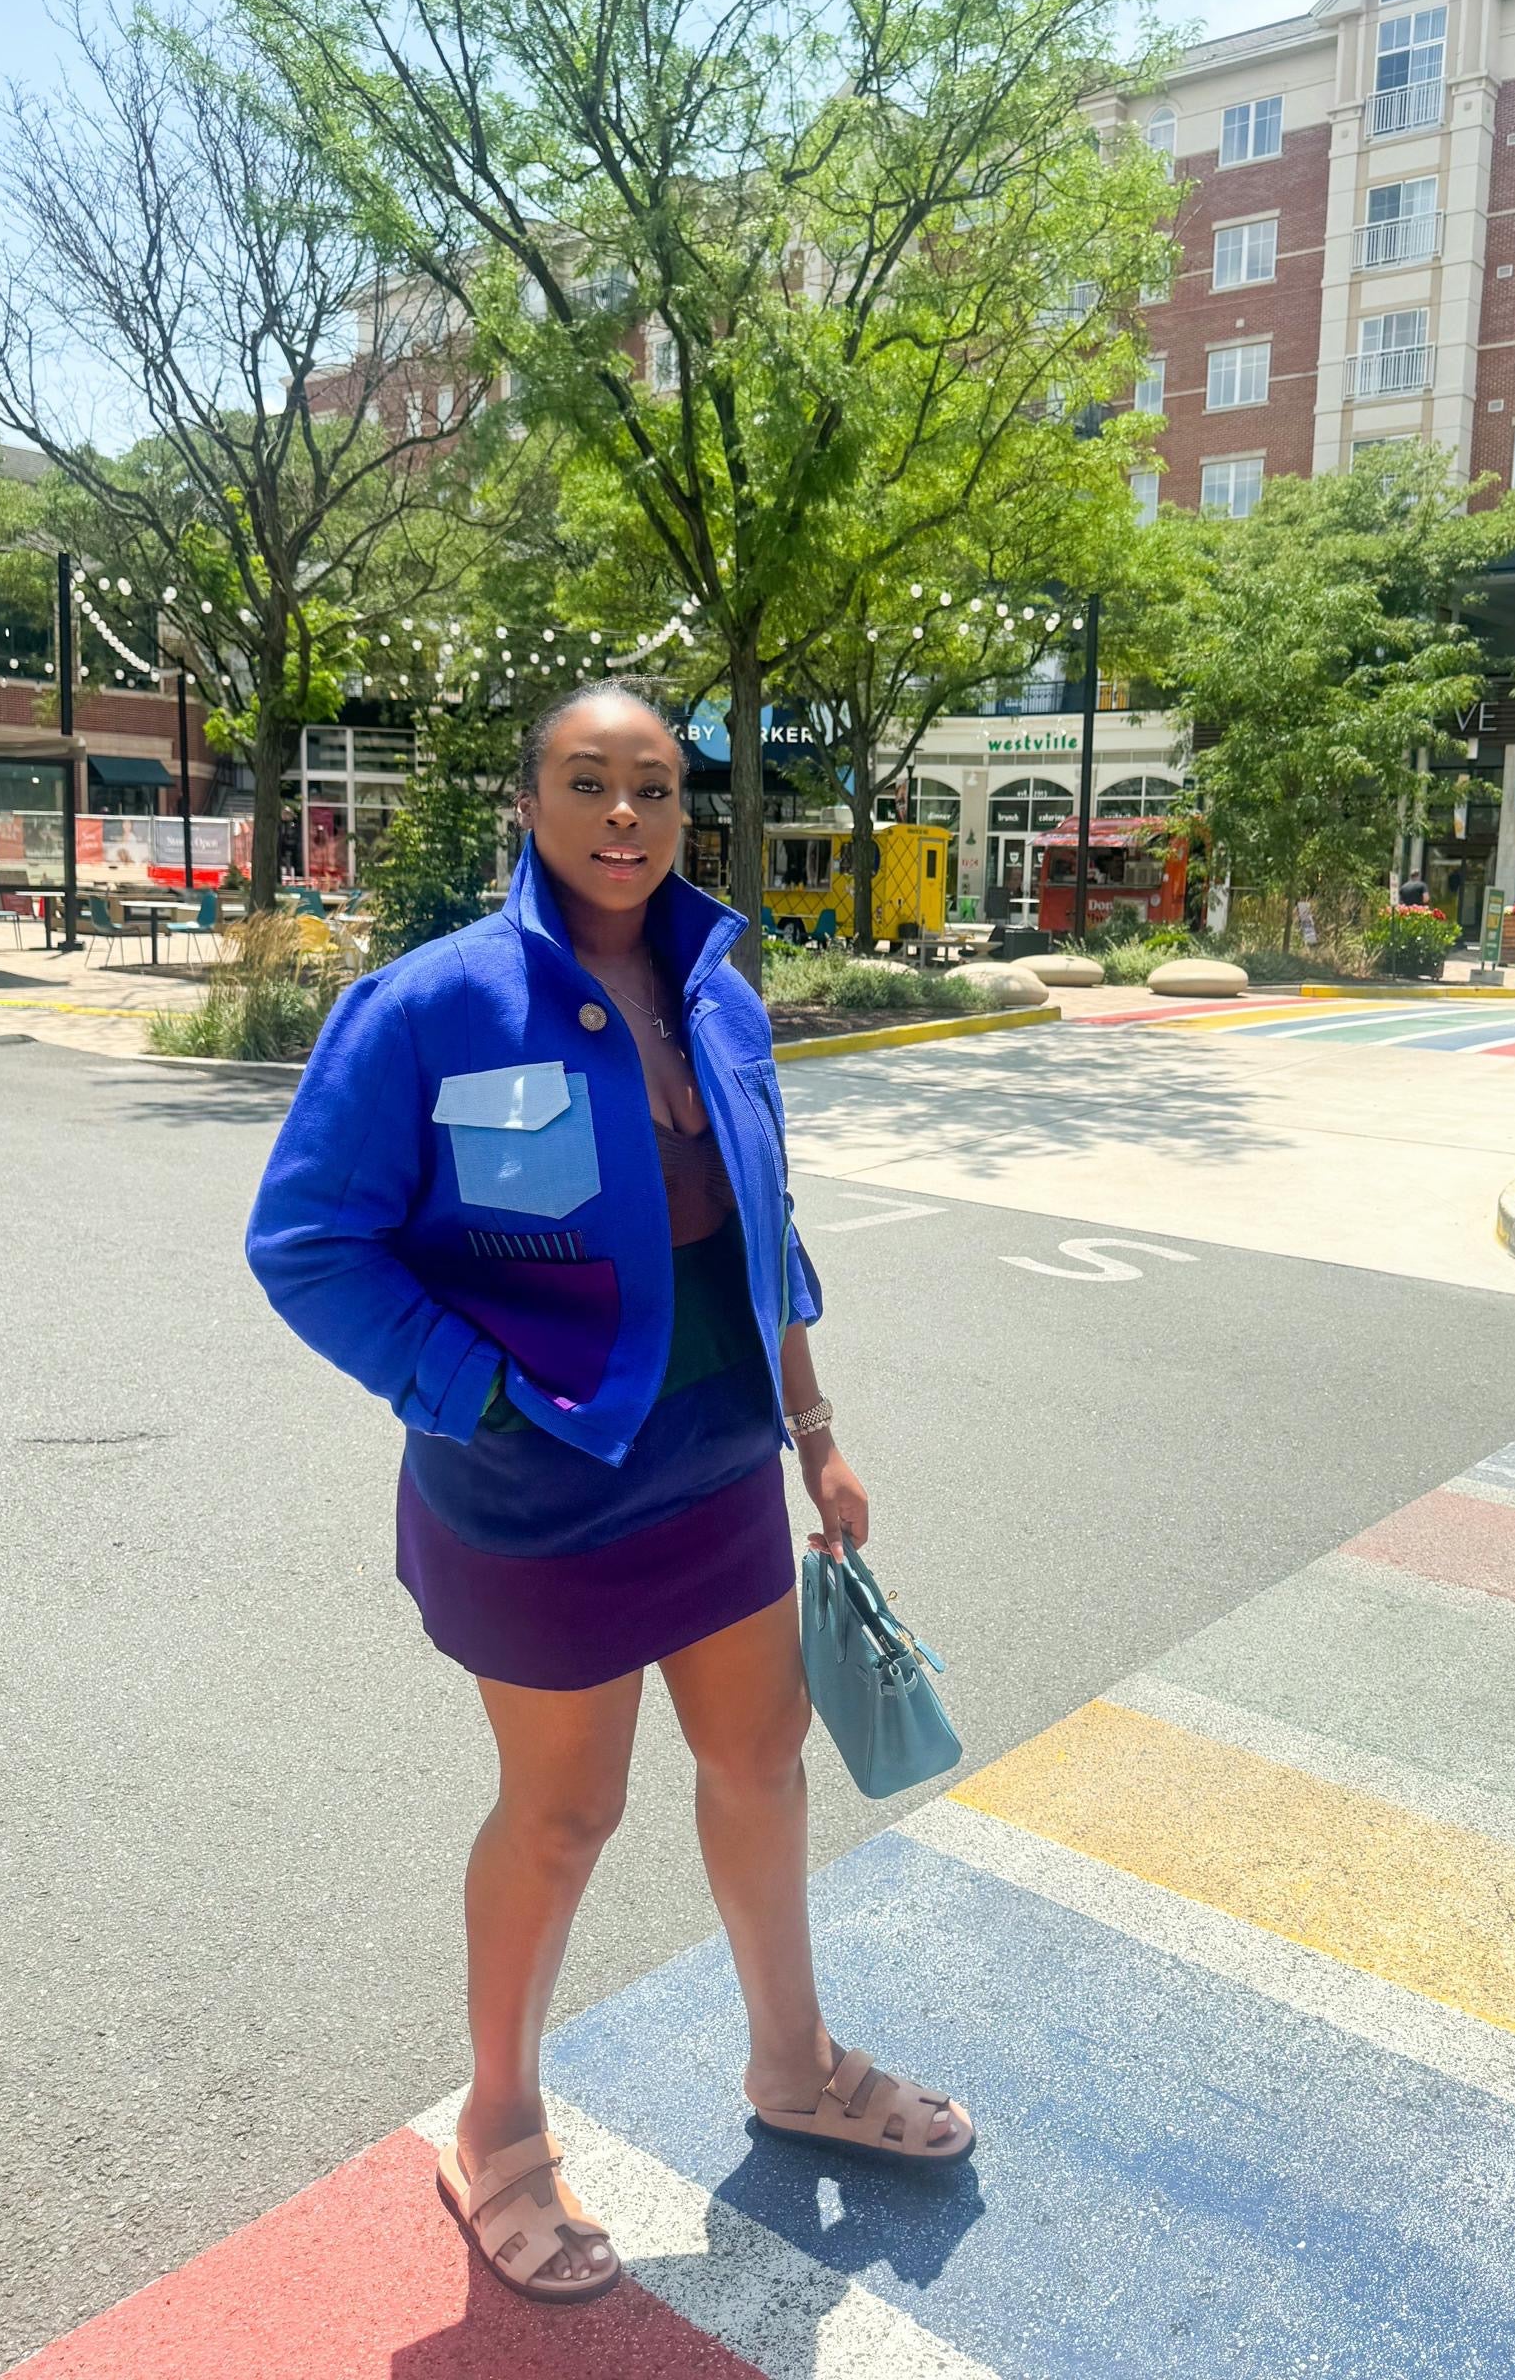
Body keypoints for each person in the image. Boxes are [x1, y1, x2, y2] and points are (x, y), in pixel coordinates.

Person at [245, 683, 973, 2309]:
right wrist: (478, 1392)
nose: (626, 814)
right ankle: (497, 2125)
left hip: (718, 1464)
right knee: (566, 1814)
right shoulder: (427, 1007)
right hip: (536, 1495)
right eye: (588, 782)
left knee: (762, 1764)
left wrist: (815, 1430)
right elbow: (307, 1243)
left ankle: (793, 2063)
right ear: (530, 802)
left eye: (654, 784)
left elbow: (767, 1232)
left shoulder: (721, 994)